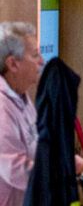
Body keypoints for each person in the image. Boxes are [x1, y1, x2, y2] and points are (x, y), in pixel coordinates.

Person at [0, 22, 46, 206]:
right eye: (35, 55)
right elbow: (13, 167)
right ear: (13, 64)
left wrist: (77, 163)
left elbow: (37, 144)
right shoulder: (2, 108)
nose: (41, 61)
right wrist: (61, 172)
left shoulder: (21, 95)